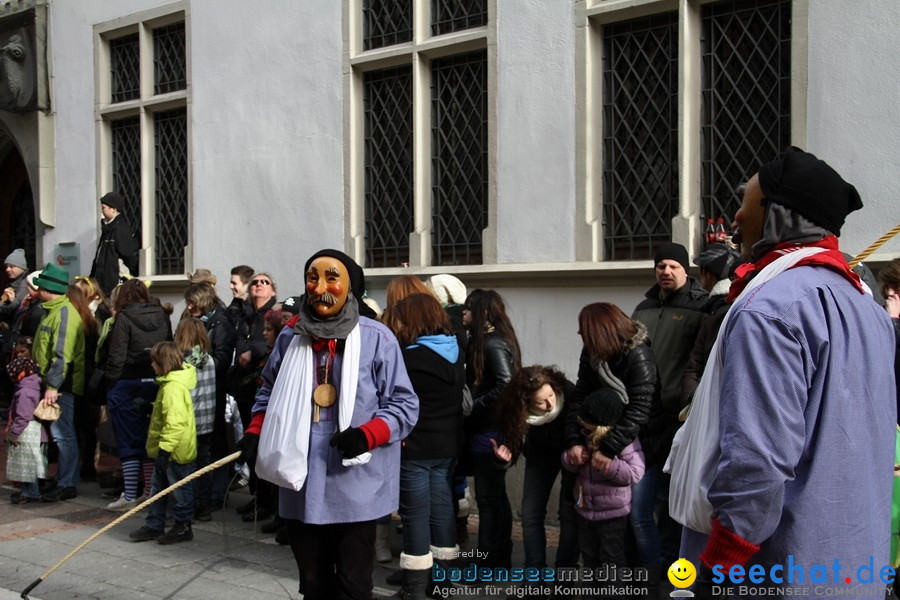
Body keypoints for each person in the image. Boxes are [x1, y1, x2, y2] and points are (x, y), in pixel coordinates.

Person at [674, 148, 896, 597]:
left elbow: (758, 463)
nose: (734, 217)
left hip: (780, 572)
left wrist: (717, 569)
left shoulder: (770, 311)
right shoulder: (869, 310)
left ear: (778, 215)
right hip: (855, 570)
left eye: (746, 203)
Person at [238, 249, 418, 600]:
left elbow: (405, 404)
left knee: (353, 585)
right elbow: (269, 392)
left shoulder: (376, 338)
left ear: (349, 285)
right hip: (300, 479)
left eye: (331, 278)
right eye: (312, 278)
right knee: (314, 584)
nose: (320, 287)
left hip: (355, 484)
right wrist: (254, 432)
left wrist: (369, 434)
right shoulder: (291, 338)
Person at [563, 302, 662, 594]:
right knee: (603, 532)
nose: (581, 337)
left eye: (585, 333)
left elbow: (640, 409)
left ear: (601, 332)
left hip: (640, 443)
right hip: (601, 438)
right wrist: (573, 441)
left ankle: (649, 585)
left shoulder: (638, 354)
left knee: (639, 519)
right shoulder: (593, 354)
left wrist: (608, 449)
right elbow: (580, 394)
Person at [382, 293, 465, 599]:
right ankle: (442, 583)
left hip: (416, 447)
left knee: (416, 516)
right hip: (447, 446)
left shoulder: (411, 358)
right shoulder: (455, 351)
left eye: (402, 318)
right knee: (442, 512)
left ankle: (414, 588)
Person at [630, 242, 707, 566]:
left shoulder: (700, 307)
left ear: (685, 270)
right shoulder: (643, 307)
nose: (666, 271)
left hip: (679, 415)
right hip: (645, 414)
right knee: (643, 498)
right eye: (661, 265)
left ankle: (668, 560)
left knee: (671, 494)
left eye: (673, 266)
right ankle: (653, 564)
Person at [491, 366, 580, 576]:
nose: (550, 404)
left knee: (569, 515)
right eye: (541, 402)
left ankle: (564, 577)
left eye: (551, 395)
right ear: (527, 403)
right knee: (530, 514)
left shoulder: (567, 391)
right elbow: (511, 444)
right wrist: (503, 458)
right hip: (539, 456)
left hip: (570, 452)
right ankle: (534, 578)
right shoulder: (515, 410)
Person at [463, 288, 521, 568]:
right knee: (496, 498)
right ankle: (500, 559)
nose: (463, 314)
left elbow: (505, 385)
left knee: (489, 501)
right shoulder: (487, 341)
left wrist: (473, 405)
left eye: (468, 309)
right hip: (488, 430)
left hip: (490, 433)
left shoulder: (492, 344)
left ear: (482, 313)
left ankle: (486, 564)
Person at [103, 278, 173, 510]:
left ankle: (131, 493)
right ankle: (149, 492)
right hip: (155, 380)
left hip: (127, 380)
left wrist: (110, 382)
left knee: (128, 439)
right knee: (150, 438)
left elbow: (116, 356)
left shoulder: (123, 318)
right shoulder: (163, 315)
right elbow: (168, 347)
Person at [562, 388, 644, 576]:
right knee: (589, 558)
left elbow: (635, 473)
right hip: (585, 510)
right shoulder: (584, 436)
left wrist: (610, 466)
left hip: (612, 515)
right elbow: (568, 462)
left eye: (586, 422)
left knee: (611, 560)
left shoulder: (623, 442)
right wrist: (572, 458)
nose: (581, 424)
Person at [129, 341, 197, 545]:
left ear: (163, 363)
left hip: (175, 450)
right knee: (158, 488)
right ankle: (154, 523)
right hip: (169, 447)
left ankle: (183, 525)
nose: (151, 366)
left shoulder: (173, 387)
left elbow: (175, 423)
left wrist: (165, 451)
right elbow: (169, 413)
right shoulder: (169, 384)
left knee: (180, 489)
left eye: (154, 362)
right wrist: (151, 407)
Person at [32, 263, 86, 502]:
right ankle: (63, 478)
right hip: (54, 384)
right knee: (60, 434)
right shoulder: (53, 310)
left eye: (40, 286)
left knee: (63, 434)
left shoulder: (63, 313)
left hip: (61, 386)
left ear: (47, 289)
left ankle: (67, 482)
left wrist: (53, 387)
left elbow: (61, 355)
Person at [680, 243, 743, 409]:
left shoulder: (720, 312)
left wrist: (692, 406)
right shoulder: (732, 306)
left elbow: (699, 365)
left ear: (706, 274)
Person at [174, 317, 217, 521]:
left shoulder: (182, 363)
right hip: (207, 422)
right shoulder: (208, 360)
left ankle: (186, 506)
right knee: (204, 465)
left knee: (187, 467)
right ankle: (204, 506)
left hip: (188, 423)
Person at [5, 355, 47, 504]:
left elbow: (23, 416)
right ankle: (29, 492)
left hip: (28, 431)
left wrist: (14, 433)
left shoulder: (24, 391)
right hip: (36, 432)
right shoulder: (34, 386)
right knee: (31, 464)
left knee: (28, 466)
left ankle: (31, 493)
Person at [89, 192, 139, 295]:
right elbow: (99, 257)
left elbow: (129, 256)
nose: (101, 210)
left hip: (115, 287)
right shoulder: (108, 230)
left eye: (104, 207)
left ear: (114, 209)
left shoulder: (120, 229)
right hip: (102, 287)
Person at [1, 248, 30, 325]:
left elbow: (16, 307)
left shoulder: (24, 284)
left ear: (21, 267)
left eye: (11, 266)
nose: (7, 269)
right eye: (6, 266)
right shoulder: (16, 282)